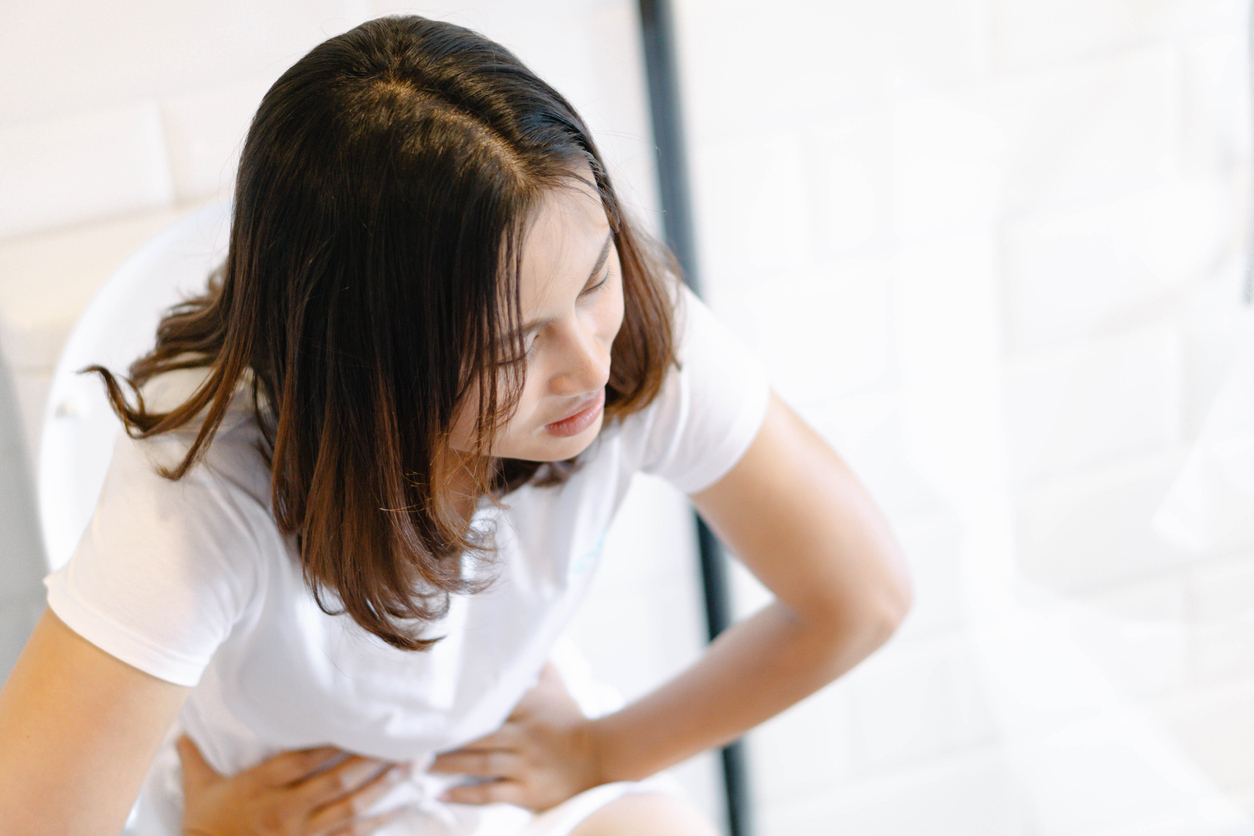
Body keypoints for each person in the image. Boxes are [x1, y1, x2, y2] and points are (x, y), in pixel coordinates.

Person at [0, 14, 911, 836]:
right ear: (367, 360)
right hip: (279, 805)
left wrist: (601, 754)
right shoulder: (204, 475)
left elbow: (861, 598)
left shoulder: (627, 336)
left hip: (497, 756)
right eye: (515, 346)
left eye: (595, 279)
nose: (591, 366)